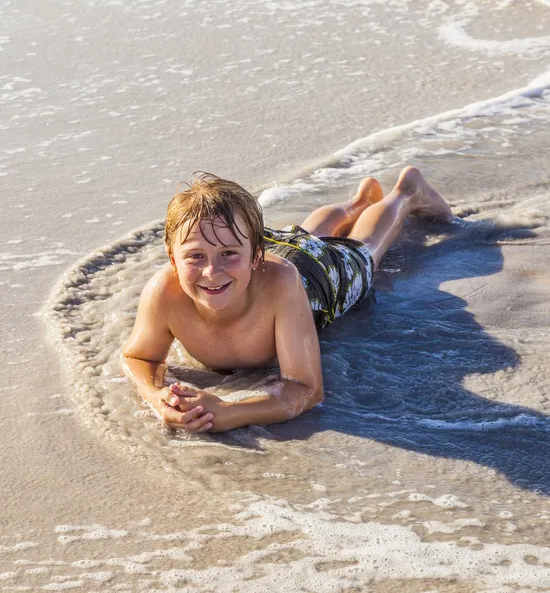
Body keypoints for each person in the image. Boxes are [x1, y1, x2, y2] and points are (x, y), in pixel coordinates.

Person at [122, 166, 452, 432]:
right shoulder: (164, 291)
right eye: (195, 256)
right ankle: (357, 203)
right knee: (302, 238)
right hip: (272, 252)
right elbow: (139, 357)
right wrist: (156, 398)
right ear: (172, 257)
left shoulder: (282, 284)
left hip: (317, 276)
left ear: (255, 255)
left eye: (227, 254)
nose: (212, 271)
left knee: (365, 250)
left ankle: (406, 193)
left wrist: (228, 411)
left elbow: (306, 389)